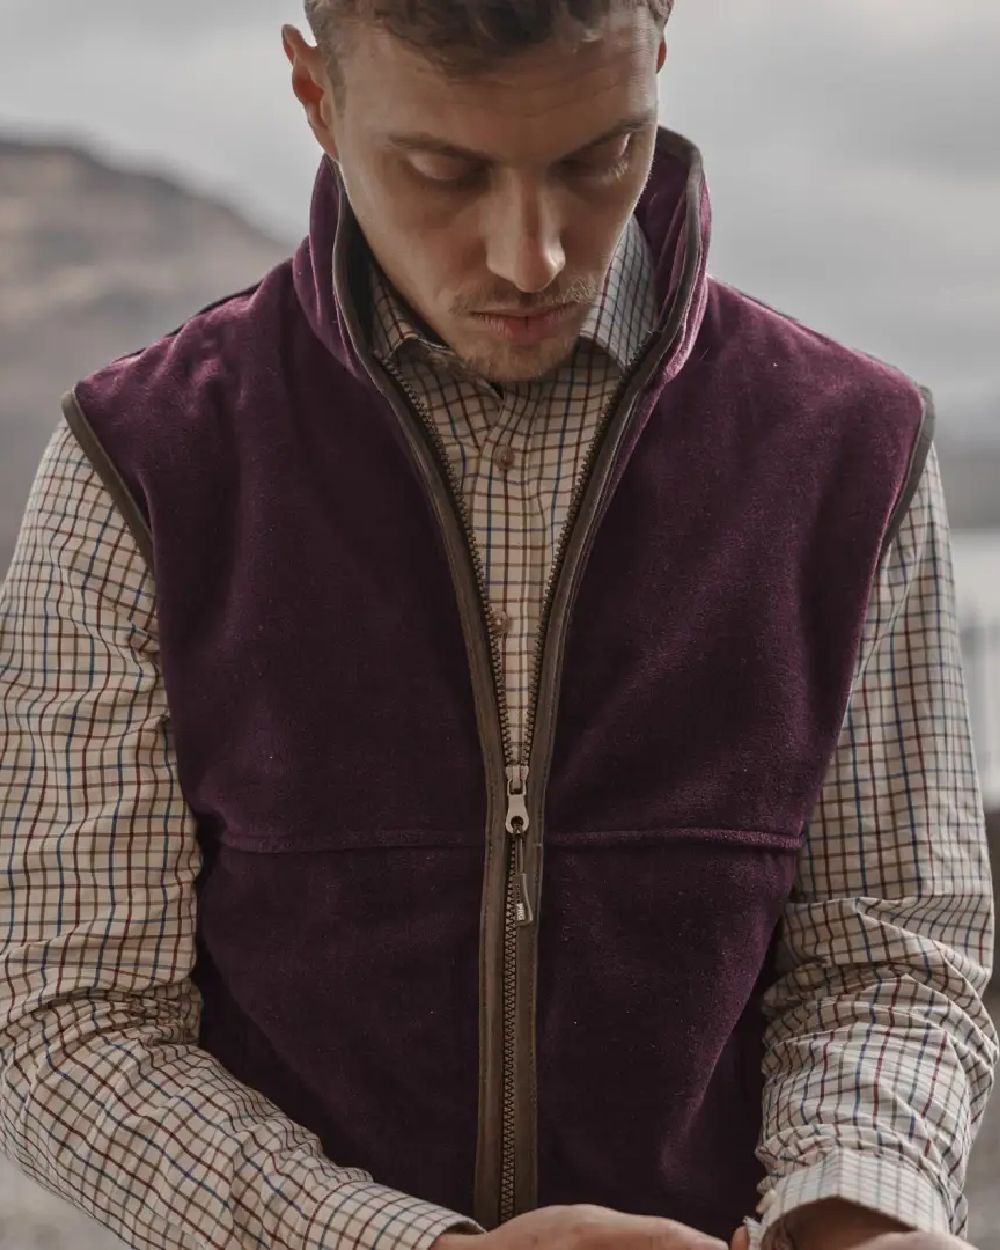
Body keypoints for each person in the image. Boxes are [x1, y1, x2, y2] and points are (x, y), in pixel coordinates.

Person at [0, 2, 995, 1250]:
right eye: (443, 172)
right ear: (317, 97)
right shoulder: (138, 465)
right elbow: (69, 1016)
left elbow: (890, 953)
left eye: (597, 158)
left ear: (658, 65)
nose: (531, 257)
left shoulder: (853, 449)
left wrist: (852, 1209)